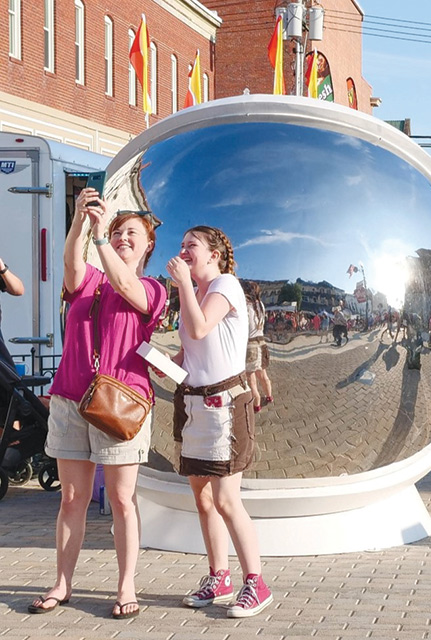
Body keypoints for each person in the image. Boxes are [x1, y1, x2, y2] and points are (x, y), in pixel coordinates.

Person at [32, 190, 166, 619]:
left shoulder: (152, 288)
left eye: (132, 233)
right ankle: (62, 582)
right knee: (71, 497)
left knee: (123, 500)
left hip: (120, 402)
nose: (123, 237)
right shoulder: (90, 279)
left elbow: (127, 287)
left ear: (148, 246)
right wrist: (79, 222)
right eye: (117, 231)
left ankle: (127, 585)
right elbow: (72, 269)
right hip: (71, 397)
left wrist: (103, 240)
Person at [165, 226, 272, 618]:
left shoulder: (225, 284)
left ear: (213, 254)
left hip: (226, 404)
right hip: (195, 405)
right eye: (182, 246)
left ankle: (255, 583)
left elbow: (198, 327)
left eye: (191, 245)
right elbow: (193, 348)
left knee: (227, 499)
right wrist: (167, 364)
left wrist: (181, 285)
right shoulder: (196, 293)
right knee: (203, 498)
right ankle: (219, 576)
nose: (183, 250)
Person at [241, 280, 274, 412]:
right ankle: (269, 396)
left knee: (251, 379)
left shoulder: (245, 306)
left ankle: (256, 404)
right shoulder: (261, 305)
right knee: (263, 374)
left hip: (250, 345)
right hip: (262, 342)